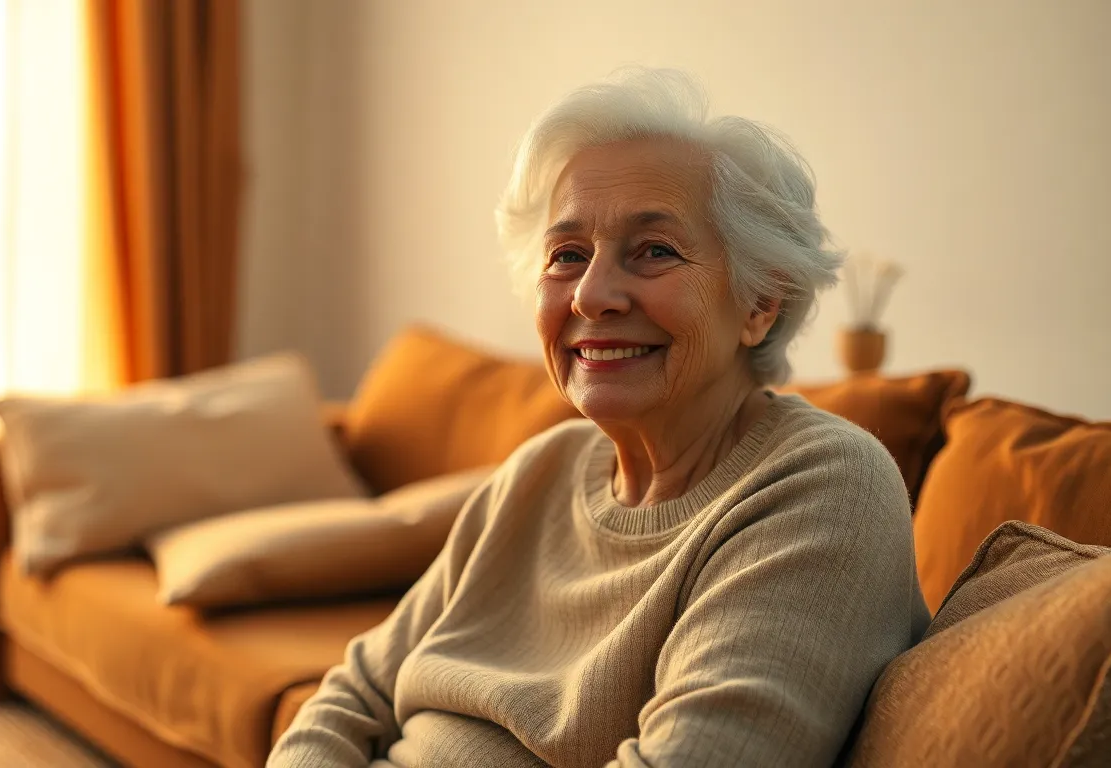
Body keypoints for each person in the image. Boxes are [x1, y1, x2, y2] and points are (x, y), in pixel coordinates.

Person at [268, 68, 928, 768]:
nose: (591, 295)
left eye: (654, 251)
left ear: (761, 303)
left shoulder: (821, 488)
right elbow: (353, 692)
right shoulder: (541, 471)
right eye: (568, 255)